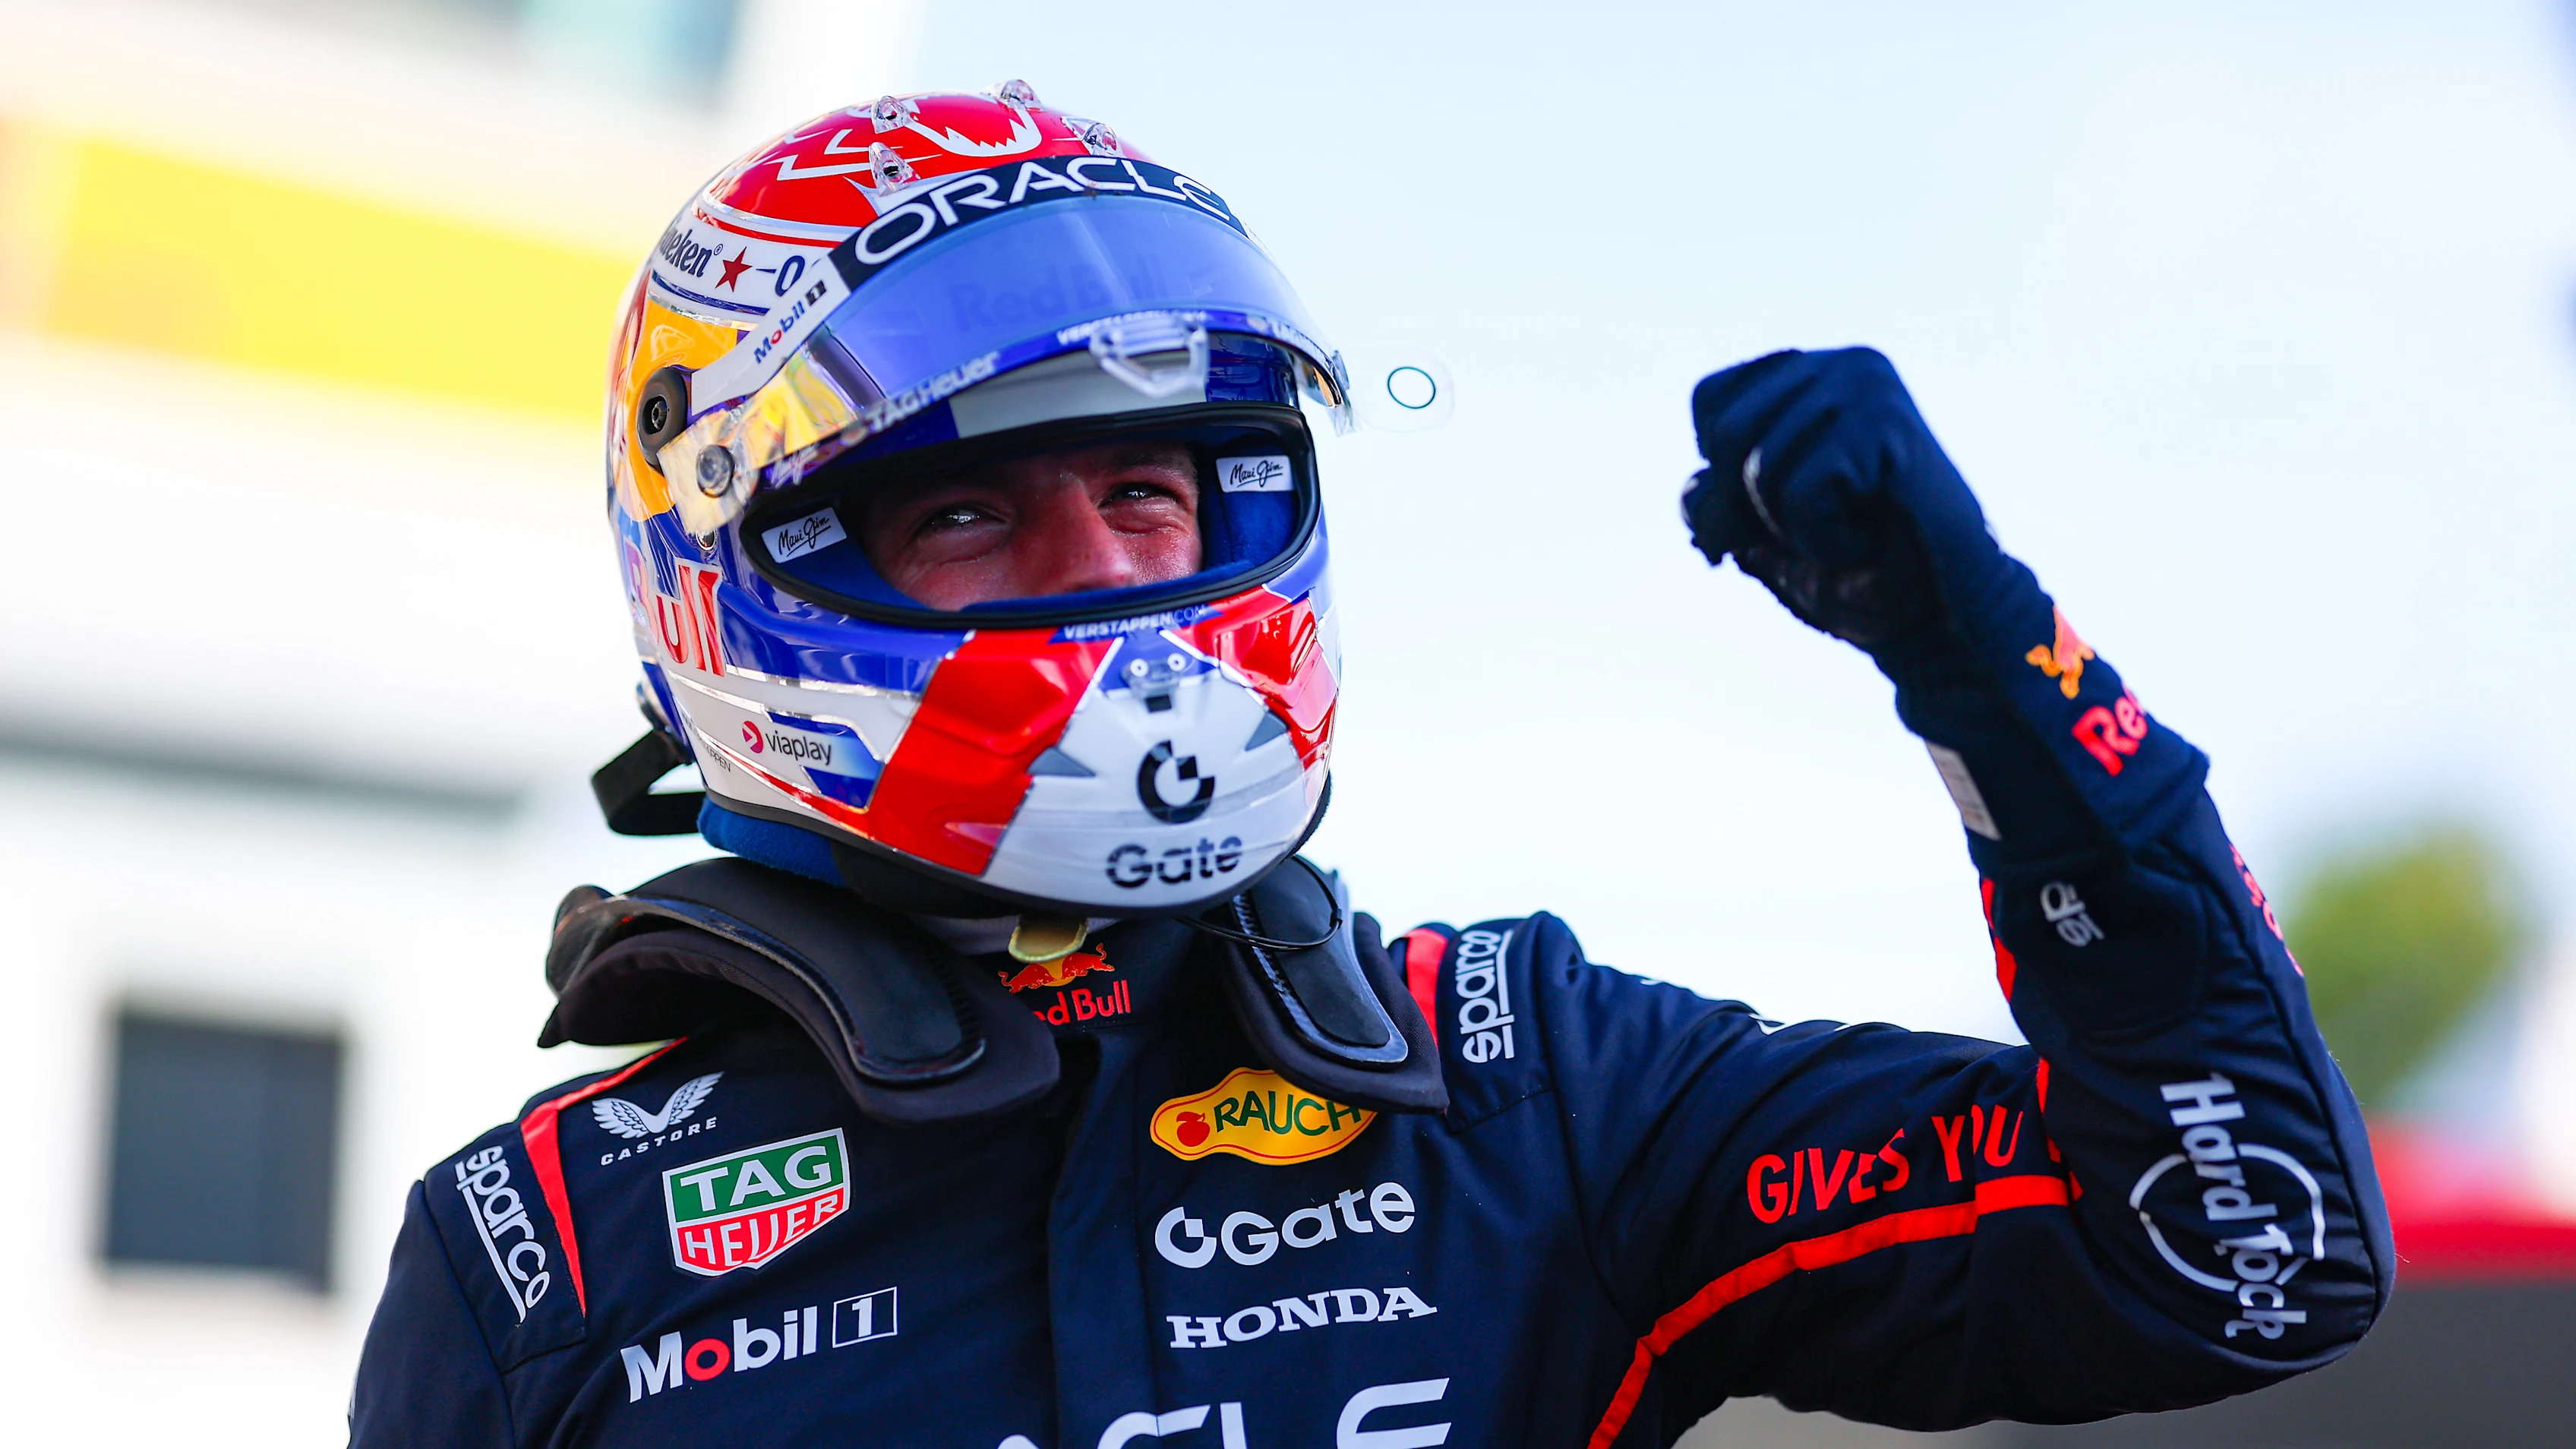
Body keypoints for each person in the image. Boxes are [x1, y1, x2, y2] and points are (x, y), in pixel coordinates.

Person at [349, 87, 2388, 1448]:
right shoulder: (544, 1255)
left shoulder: (1524, 1083)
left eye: (1153, 487)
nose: (1112, 577)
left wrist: (1999, 683)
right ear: (745, 580)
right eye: (971, 513)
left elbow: (2246, 1253)